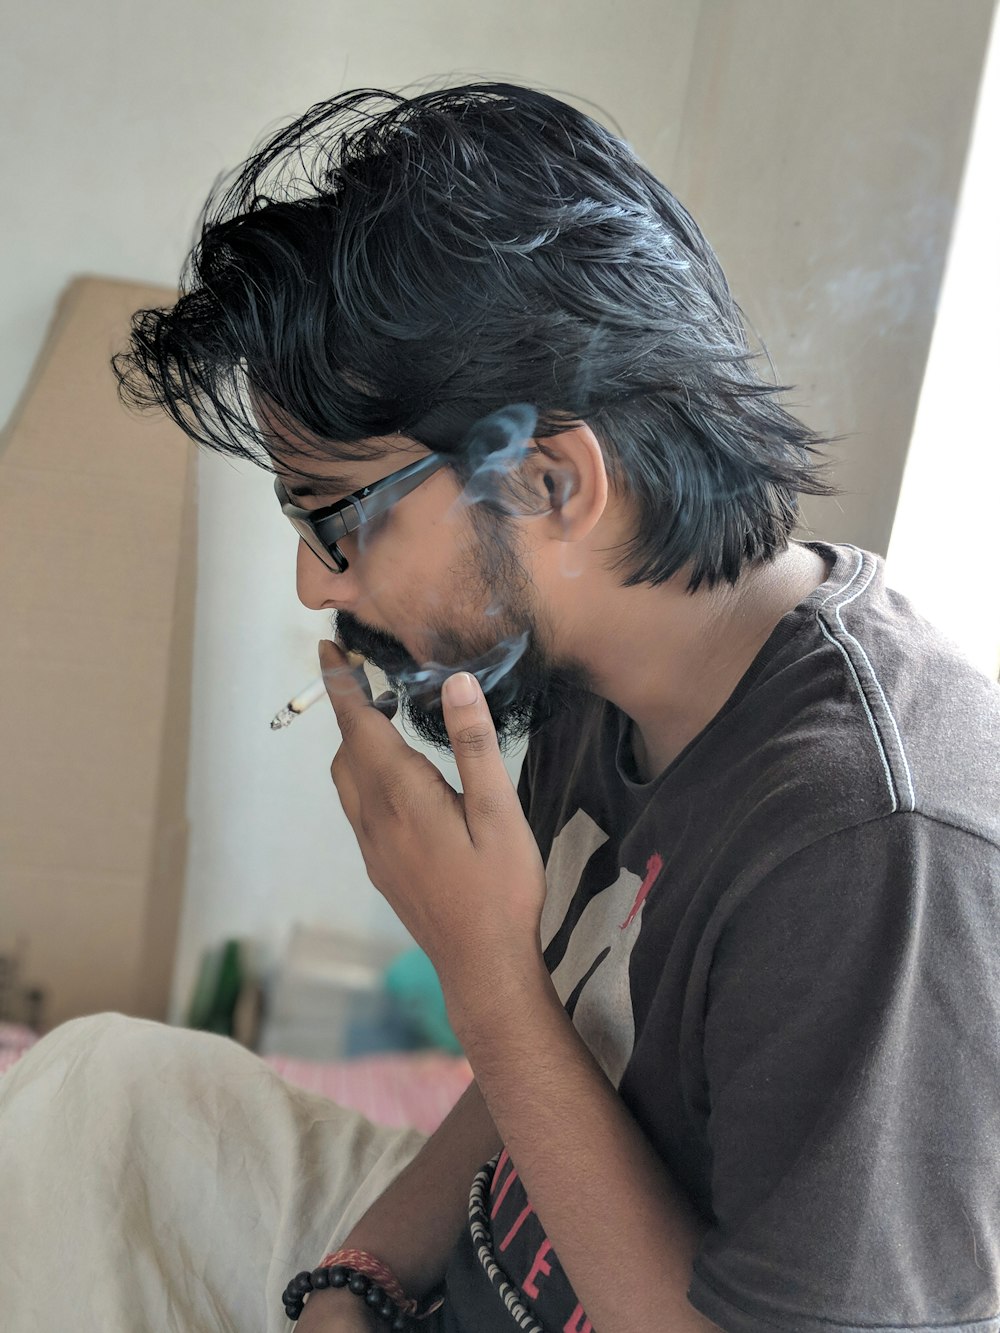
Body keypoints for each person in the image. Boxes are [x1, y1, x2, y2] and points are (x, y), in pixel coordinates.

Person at [4, 82, 1000, 1332]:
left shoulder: (874, 848)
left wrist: (479, 973)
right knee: (99, 1092)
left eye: (336, 514)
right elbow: (560, 1054)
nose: (316, 580)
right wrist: (355, 1276)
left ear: (548, 481)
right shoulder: (588, 676)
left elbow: (523, 1025)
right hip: (503, 1259)